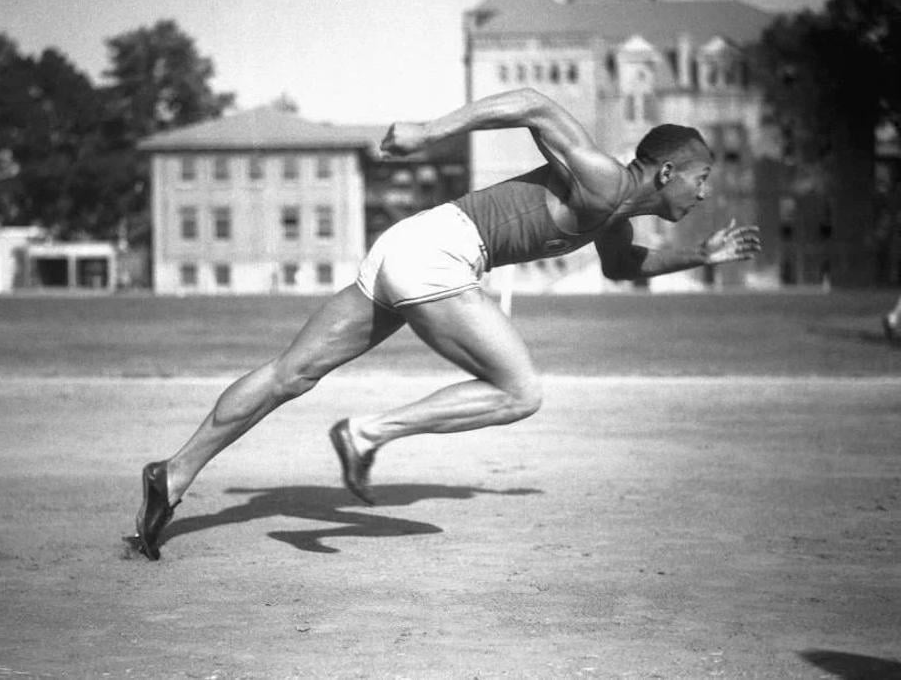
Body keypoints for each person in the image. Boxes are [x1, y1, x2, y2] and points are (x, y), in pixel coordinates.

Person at [126, 87, 762, 561]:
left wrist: (701, 256)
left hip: (412, 242)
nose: (703, 194)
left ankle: (173, 474)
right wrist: (430, 130)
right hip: (441, 254)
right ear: (669, 170)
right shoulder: (601, 178)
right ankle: (367, 432)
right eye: (703, 179)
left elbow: (625, 267)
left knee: (291, 374)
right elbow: (534, 104)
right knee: (520, 392)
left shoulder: (615, 217)